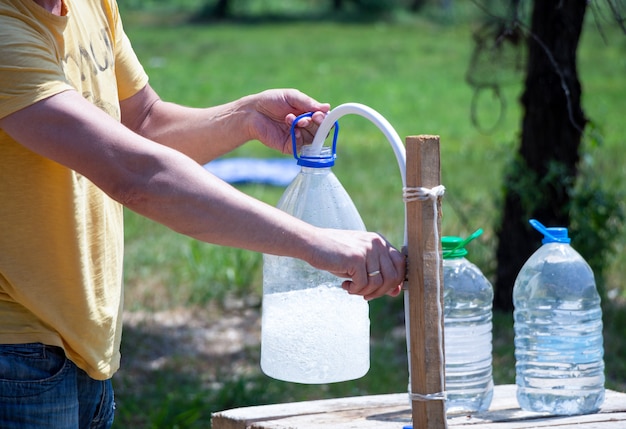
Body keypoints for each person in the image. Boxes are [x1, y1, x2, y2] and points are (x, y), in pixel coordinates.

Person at [0, 0, 406, 427]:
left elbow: (143, 123)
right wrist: (317, 243)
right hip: (15, 355)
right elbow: (134, 172)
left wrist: (244, 117)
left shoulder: (91, 4)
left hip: (80, 343)